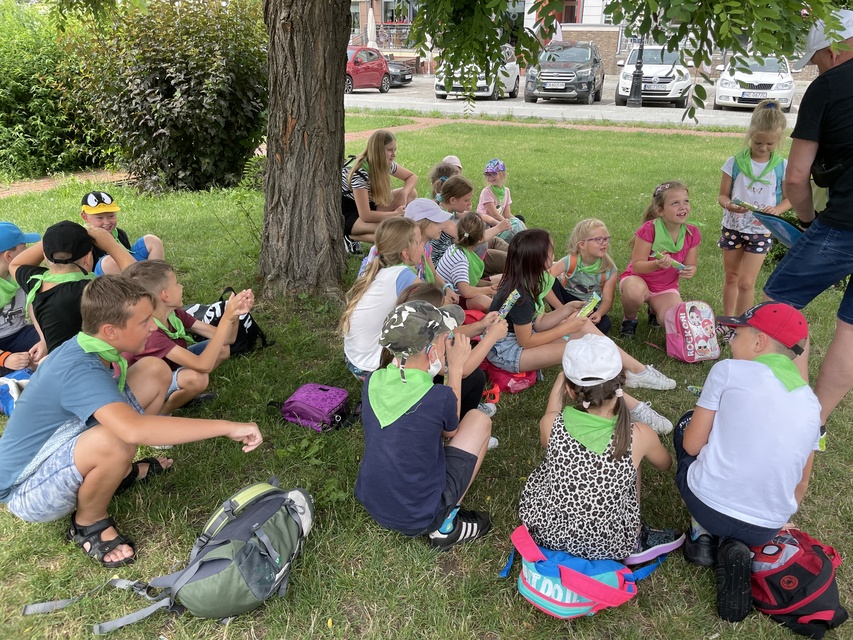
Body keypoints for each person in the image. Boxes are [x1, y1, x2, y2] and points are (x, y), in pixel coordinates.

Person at [0, 275, 262, 567]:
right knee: (117, 438)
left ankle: (116, 473)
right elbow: (133, 429)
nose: (152, 326)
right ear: (111, 330)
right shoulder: (79, 367)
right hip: (26, 491)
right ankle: (89, 521)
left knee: (154, 369)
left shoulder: (91, 346)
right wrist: (228, 427)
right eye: (144, 321)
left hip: (62, 446)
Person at [675, 302, 820, 622]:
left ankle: (702, 536)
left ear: (759, 342)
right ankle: (735, 543)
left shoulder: (727, 370)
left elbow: (693, 444)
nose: (729, 341)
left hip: (707, 504)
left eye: (735, 334)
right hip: (766, 526)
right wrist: (780, 515)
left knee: (686, 426)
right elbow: (802, 481)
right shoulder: (811, 403)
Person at [763, 9, 853, 439]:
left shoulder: (829, 87)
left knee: (778, 302)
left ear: (834, 49)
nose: (817, 68)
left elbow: (796, 177)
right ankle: (814, 423)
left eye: (816, 60)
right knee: (851, 328)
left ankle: (792, 409)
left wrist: (806, 220)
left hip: (845, 223)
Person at [519, 335, 684, 563]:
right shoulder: (639, 435)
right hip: (610, 544)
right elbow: (665, 465)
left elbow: (550, 420)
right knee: (632, 465)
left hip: (547, 532)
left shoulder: (550, 423)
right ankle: (635, 535)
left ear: (570, 390)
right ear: (623, 381)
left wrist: (560, 383)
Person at [354, 300, 493, 551]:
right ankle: (446, 525)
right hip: (419, 516)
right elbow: (451, 430)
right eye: (443, 341)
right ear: (431, 352)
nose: (446, 345)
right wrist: (456, 368)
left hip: (373, 500)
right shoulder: (438, 398)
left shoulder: (372, 380)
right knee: (479, 420)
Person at [488, 229, 677, 407]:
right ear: (538, 259)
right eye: (550, 252)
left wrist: (567, 309)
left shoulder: (529, 280)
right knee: (578, 348)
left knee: (584, 326)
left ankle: (637, 370)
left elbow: (538, 321)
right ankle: (628, 399)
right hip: (508, 352)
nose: (553, 256)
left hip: (518, 342)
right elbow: (526, 341)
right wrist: (566, 328)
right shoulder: (520, 294)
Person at [124, 260, 255, 415]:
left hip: (169, 371)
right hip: (143, 390)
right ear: (165, 295)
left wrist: (234, 315)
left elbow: (227, 340)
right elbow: (203, 365)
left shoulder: (174, 315)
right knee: (197, 378)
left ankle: (180, 395)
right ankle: (161, 413)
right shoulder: (151, 333)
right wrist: (226, 318)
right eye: (177, 283)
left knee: (222, 349)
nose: (182, 287)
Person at [10, 221, 135, 353]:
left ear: (45, 256)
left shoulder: (36, 281)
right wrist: (111, 245)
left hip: (56, 364)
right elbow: (140, 282)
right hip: (92, 368)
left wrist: (54, 238)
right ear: (88, 258)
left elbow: (16, 264)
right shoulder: (93, 290)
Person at [717, 100, 791, 317]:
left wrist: (777, 210)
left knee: (747, 283)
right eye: (758, 142)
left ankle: (742, 325)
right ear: (750, 135)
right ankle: (728, 320)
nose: (763, 148)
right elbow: (722, 195)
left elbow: (790, 199)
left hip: (761, 230)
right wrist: (729, 205)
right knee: (731, 276)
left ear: (779, 140)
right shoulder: (735, 162)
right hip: (733, 226)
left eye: (770, 144)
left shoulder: (781, 166)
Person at [341, 217, 423, 380]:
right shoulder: (403, 275)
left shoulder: (374, 267)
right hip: (372, 368)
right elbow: (432, 310)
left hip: (354, 360)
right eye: (420, 243)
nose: (424, 247)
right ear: (405, 253)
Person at [619, 181, 701, 338]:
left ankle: (654, 310)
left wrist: (691, 270)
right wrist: (657, 264)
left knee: (674, 321)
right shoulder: (649, 229)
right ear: (660, 211)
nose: (683, 207)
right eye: (675, 203)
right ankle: (630, 320)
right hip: (638, 280)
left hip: (665, 288)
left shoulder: (692, 233)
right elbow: (637, 266)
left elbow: (691, 264)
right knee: (633, 291)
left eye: (686, 201)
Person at [358, 198, 459, 305]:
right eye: (437, 221)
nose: (442, 225)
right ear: (422, 224)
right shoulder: (402, 262)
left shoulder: (426, 248)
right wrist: (442, 301)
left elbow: (433, 274)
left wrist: (446, 288)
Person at [341, 129, 418, 252]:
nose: (394, 154)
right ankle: (349, 236)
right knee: (392, 232)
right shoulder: (359, 173)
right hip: (349, 213)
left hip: (369, 204)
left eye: (395, 150)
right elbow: (366, 216)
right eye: (389, 150)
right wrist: (395, 214)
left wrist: (404, 193)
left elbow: (412, 177)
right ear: (377, 151)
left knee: (411, 193)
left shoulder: (385, 163)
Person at [548, 218, 618, 335]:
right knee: (550, 281)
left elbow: (607, 299)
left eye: (606, 239)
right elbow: (544, 280)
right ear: (582, 244)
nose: (604, 242)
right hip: (566, 300)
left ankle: (573, 326)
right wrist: (562, 311)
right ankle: (562, 319)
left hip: (588, 307)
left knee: (605, 324)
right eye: (598, 239)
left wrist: (599, 313)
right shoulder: (570, 260)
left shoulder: (609, 269)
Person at [432, 174, 510, 274]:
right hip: (447, 268)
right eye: (466, 200)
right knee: (508, 262)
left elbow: (477, 215)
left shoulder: (446, 209)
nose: (469, 204)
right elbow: (473, 239)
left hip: (461, 255)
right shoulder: (444, 221)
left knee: (498, 245)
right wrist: (499, 227)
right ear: (452, 200)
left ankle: (523, 256)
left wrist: (495, 222)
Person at [80, 191, 165, 276]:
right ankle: (142, 284)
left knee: (152, 240)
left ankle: (157, 279)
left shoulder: (119, 233)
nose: (106, 222)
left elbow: (128, 257)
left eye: (111, 216)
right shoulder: (85, 240)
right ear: (85, 217)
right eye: (99, 218)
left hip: (130, 269)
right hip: (104, 279)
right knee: (110, 261)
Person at [0, 222, 45, 373]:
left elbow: (33, 306)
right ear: (9, 256)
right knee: (12, 372)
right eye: (24, 248)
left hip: (20, 333)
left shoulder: (21, 274)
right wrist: (5, 358)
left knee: (59, 345)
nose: (28, 251)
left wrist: (44, 340)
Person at [435, 214, 498, 312]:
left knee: (500, 278)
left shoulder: (455, 248)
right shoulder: (461, 260)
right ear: (481, 238)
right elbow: (466, 292)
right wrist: (489, 290)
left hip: (455, 289)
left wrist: (490, 286)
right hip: (452, 298)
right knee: (485, 302)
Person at [477, 158, 526, 241]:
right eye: (488, 174)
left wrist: (518, 223)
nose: (490, 177)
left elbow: (507, 214)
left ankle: (526, 236)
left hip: (497, 221)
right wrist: (508, 224)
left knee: (519, 219)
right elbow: (494, 214)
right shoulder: (486, 192)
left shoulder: (506, 191)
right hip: (485, 224)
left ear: (503, 175)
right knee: (514, 226)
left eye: (494, 174)